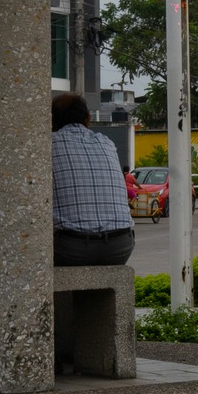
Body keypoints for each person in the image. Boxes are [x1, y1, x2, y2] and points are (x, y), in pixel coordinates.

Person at [51, 93, 135, 265]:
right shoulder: (107, 143)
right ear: (88, 118)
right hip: (120, 245)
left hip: (71, 248)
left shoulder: (47, 144)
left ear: (51, 120)